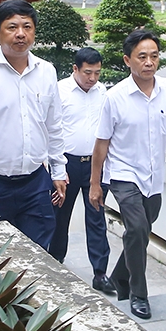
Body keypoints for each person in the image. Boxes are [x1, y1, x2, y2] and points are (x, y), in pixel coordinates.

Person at [90, 30, 166, 319]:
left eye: (154, 56)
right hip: (124, 175)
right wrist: (95, 184)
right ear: (128, 60)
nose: (149, 62)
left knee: (140, 232)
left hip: (154, 179)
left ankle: (119, 277)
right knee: (138, 229)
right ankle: (139, 294)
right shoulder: (115, 98)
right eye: (142, 57)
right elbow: (101, 144)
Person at [0, 0, 67, 250]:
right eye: (12, 27)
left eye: (27, 27)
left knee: (38, 253)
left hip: (35, 182)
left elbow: (54, 125)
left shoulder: (47, 71)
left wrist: (59, 170)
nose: (21, 34)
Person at [49, 47, 115, 294]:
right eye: (88, 72)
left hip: (94, 165)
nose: (92, 78)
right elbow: (50, 129)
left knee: (96, 218)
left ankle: (100, 272)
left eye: (97, 73)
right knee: (59, 216)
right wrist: (56, 166)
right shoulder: (59, 90)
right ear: (75, 69)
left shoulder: (102, 92)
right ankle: (55, 262)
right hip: (66, 164)